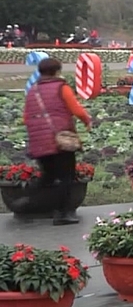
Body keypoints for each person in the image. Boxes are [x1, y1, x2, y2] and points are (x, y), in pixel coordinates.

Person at [21, 58, 91, 225]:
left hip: (39, 141)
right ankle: (63, 213)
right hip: (61, 139)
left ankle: (27, 203)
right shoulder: (62, 87)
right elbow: (76, 109)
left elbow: (25, 117)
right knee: (66, 176)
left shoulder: (33, 90)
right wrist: (87, 121)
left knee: (48, 175)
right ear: (57, 71)